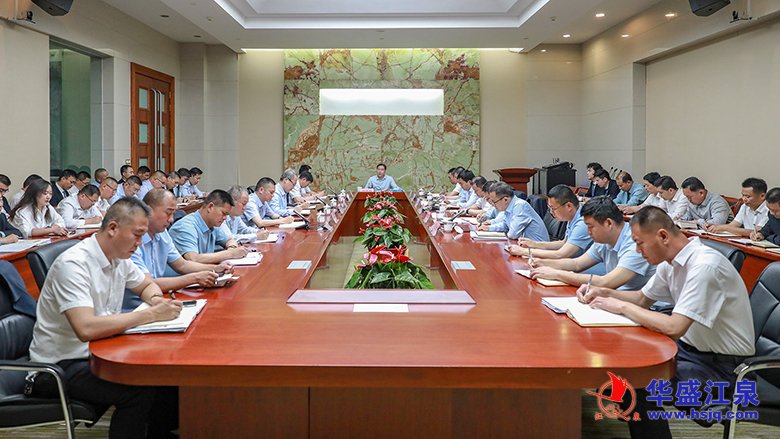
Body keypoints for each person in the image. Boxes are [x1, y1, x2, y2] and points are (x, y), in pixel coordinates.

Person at [581, 206, 755, 439]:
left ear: (663, 236)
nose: (637, 250)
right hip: (690, 352)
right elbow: (642, 299)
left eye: (639, 243)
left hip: (725, 370)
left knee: (636, 380)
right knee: (621, 360)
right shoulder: (670, 263)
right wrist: (604, 292)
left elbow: (675, 327)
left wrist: (621, 306)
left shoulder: (704, 266)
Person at [28, 197, 181, 439]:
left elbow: (146, 285)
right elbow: (86, 328)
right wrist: (150, 314)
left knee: (164, 370)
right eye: (137, 235)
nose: (140, 243)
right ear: (112, 228)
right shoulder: (74, 264)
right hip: (59, 366)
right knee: (138, 390)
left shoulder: (119, 257)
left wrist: (155, 300)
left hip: (99, 351)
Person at [123, 189, 233, 310]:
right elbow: (147, 284)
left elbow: (182, 264)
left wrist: (215, 269)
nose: (171, 219)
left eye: (173, 214)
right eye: (168, 213)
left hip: (157, 300)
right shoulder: (131, 241)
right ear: (148, 211)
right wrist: (195, 278)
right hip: (133, 308)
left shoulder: (162, 233)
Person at [530, 196, 655, 290]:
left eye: (590, 226)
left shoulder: (635, 243)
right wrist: (543, 263)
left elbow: (606, 282)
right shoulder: (604, 239)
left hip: (651, 308)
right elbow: (577, 264)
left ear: (608, 223)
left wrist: (557, 274)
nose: (588, 231)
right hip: (618, 296)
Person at [508, 185, 593, 259]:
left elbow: (561, 254)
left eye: (553, 208)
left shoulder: (583, 223)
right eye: (549, 208)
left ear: (568, 206)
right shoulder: (573, 217)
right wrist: (534, 244)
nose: (551, 212)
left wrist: (523, 251)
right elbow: (564, 243)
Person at [168, 189, 248, 264]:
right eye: (223, 213)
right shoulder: (185, 227)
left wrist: (232, 248)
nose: (225, 218)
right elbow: (193, 259)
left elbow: (229, 240)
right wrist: (230, 254)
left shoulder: (212, 225)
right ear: (210, 207)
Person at [478, 182, 548, 241]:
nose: (493, 205)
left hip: (538, 248)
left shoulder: (520, 206)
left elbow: (513, 234)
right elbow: (505, 225)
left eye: (494, 202)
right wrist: (489, 228)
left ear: (505, 200)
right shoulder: (510, 206)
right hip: (526, 246)